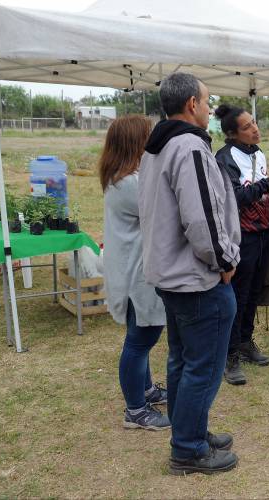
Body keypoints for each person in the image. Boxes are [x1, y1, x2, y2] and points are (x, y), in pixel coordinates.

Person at [139, 72, 241, 475]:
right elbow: (202, 219)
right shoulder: (189, 148)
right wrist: (226, 261)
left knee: (182, 361)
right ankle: (188, 449)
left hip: (171, 275)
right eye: (207, 99)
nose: (211, 107)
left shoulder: (157, 147)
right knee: (202, 366)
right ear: (192, 105)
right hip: (197, 278)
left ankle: (189, 431)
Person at [100, 115, 170, 432]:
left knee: (140, 333)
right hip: (135, 273)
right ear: (136, 142)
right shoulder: (129, 183)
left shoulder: (126, 177)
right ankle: (135, 410)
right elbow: (166, 210)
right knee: (141, 338)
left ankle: (146, 390)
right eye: (149, 136)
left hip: (134, 269)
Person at [214, 104, 269, 385]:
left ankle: (245, 342)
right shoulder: (223, 158)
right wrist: (268, 183)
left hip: (262, 232)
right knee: (237, 296)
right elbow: (233, 197)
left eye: (254, 122)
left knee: (254, 291)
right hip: (240, 236)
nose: (255, 129)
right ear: (232, 134)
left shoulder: (258, 154)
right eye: (247, 126)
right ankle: (229, 354)